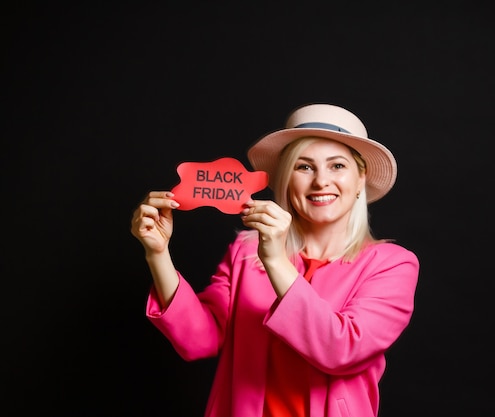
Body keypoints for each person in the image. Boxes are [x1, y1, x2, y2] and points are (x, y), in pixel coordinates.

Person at [130, 103, 420, 417]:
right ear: (284, 177)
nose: (321, 181)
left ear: (360, 178)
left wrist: (275, 260)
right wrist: (158, 253)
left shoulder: (393, 264)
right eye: (304, 166)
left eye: (337, 166)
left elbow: (341, 350)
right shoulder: (245, 252)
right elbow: (199, 339)